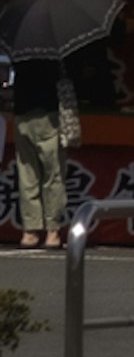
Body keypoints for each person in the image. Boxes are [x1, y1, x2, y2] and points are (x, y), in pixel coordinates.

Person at [8, 43, 75, 245]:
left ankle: (30, 230)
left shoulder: (17, 45)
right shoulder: (56, 47)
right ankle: (52, 231)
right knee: (53, 173)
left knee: (28, 174)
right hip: (49, 114)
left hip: (22, 115)